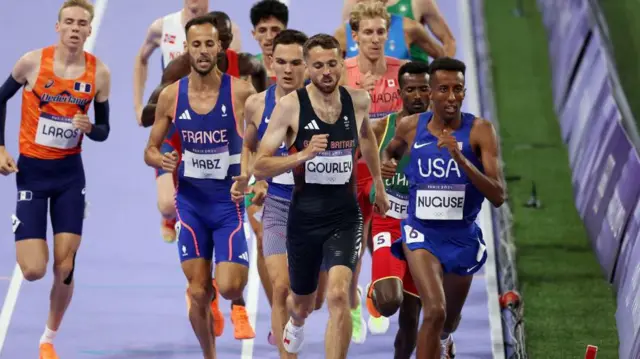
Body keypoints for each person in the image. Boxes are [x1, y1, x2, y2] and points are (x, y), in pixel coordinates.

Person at [253, 34, 390, 358]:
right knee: (303, 304)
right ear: (308, 69)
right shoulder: (289, 107)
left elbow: (368, 139)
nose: (327, 72)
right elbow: (260, 164)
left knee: (339, 295)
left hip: (345, 216)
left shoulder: (357, 101)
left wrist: (379, 186)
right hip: (304, 220)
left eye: (332, 64)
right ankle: (296, 323)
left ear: (342, 64)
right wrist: (301, 155)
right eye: (318, 66)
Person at [139, 10, 262, 341]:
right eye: (197, 44)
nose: (203, 50)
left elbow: (264, 141)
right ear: (187, 49)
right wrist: (161, 159)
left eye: (210, 44)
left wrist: (256, 177)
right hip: (191, 205)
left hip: (228, 204)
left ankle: (227, 300)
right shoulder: (171, 95)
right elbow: (149, 149)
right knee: (197, 291)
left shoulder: (241, 93)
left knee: (231, 284)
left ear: (220, 47)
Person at [0, 1, 111, 358]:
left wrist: (90, 127)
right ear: (58, 26)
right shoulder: (32, 63)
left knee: (65, 266)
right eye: (69, 22)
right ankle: (28, 229)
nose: (75, 28)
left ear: (89, 30)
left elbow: (105, 130)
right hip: (32, 173)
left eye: (82, 23)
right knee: (33, 269)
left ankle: (48, 338)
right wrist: (0, 147)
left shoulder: (99, 74)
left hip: (68, 176)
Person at [381, 57, 505, 359]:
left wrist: (462, 160)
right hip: (421, 232)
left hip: (462, 236)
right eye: (444, 89)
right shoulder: (410, 126)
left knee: (447, 320)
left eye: (458, 90)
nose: (452, 97)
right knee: (433, 311)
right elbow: (393, 148)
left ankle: (444, 340)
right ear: (431, 93)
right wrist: (388, 162)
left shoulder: (480, 131)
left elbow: (499, 194)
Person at [243, 29, 328, 356]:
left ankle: (298, 320)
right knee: (280, 288)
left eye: (296, 62)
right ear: (271, 62)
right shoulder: (256, 104)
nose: (288, 69)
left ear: (308, 66)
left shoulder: (327, 106)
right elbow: (248, 148)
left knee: (313, 300)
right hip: (277, 204)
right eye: (281, 62)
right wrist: (250, 179)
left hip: (317, 208)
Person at [363, 62, 429, 358]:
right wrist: (377, 182)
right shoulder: (381, 128)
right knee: (389, 301)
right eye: (410, 89)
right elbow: (361, 182)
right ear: (399, 92)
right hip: (389, 224)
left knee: (411, 320)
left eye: (423, 89)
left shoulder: (443, 131)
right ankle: (374, 292)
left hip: (426, 228)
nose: (417, 95)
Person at [134, 0, 242, 124]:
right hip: (172, 123)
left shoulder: (227, 30)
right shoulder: (163, 26)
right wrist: (138, 107)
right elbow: (141, 59)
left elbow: (235, 78)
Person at [341, 0, 457, 61]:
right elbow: (348, 43)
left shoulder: (418, 3)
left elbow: (449, 41)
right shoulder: (352, 4)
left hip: (415, 80)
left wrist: (443, 77)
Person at [249, 0, 289, 85]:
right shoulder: (247, 70)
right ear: (254, 34)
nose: (269, 37)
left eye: (275, 30)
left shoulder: (303, 69)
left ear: (285, 32)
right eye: (262, 30)